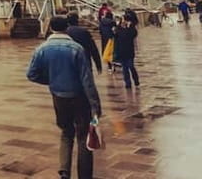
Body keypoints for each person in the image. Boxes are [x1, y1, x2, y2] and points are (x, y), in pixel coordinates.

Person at [27, 16, 102, 179]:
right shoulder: (76, 48)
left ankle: (64, 170)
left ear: (51, 28)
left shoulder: (42, 49)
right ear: (66, 28)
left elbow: (31, 74)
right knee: (83, 136)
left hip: (58, 96)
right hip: (79, 96)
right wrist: (95, 105)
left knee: (66, 132)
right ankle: (85, 175)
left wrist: (50, 80)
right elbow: (87, 80)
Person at [114, 18, 139, 89]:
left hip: (129, 52)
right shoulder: (117, 30)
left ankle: (136, 80)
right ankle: (128, 83)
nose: (124, 22)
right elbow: (115, 41)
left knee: (131, 66)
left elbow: (134, 34)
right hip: (121, 52)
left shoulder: (130, 29)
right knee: (125, 69)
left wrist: (130, 26)